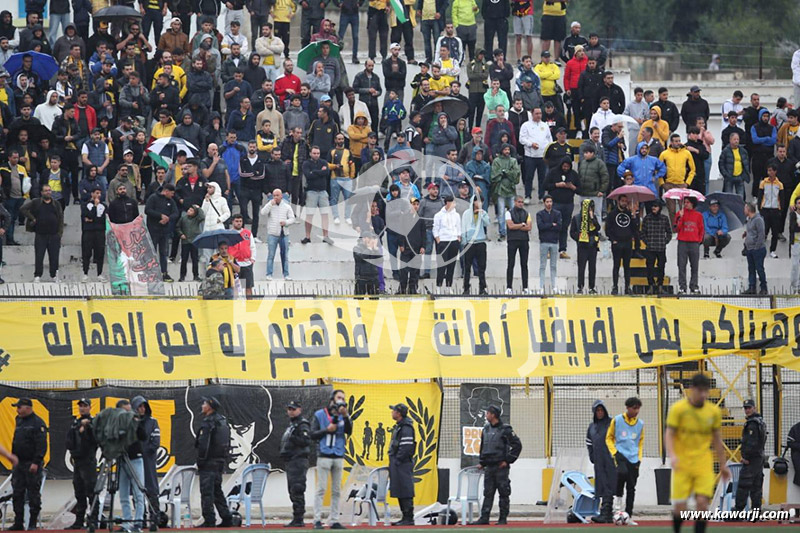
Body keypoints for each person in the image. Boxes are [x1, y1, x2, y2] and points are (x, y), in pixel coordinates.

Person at [666, 373, 730, 533]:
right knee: (680, 508)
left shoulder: (713, 412)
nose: (703, 395)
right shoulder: (678, 409)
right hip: (682, 464)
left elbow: (716, 439)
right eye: (700, 391)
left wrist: (723, 465)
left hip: (703, 463)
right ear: (692, 390)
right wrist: (672, 455)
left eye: (706, 391)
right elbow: (669, 434)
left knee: (702, 504)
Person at [471, 405, 521, 526]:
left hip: (501, 467)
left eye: (487, 413)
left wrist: (507, 460)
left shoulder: (506, 429)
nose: (486, 415)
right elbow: (483, 447)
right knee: (487, 493)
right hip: (489, 467)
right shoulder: (485, 429)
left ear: (493, 415)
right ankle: (484, 518)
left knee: (503, 493)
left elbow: (517, 446)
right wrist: (482, 463)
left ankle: (502, 518)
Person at [311, 389, 352, 530]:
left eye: (343, 398)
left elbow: (349, 431)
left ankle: (334, 519)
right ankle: (317, 519)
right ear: (332, 399)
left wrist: (346, 416)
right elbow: (313, 434)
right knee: (321, 489)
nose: (341, 400)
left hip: (338, 455)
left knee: (336, 490)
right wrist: (326, 430)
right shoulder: (320, 414)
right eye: (339, 397)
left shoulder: (343, 415)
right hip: (324, 455)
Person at [195, 397, 233, 528]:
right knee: (217, 490)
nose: (202, 405)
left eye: (204, 403)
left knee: (207, 492)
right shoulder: (222, 421)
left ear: (210, 406)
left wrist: (200, 461)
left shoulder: (209, 423)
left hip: (209, 462)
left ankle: (209, 519)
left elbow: (204, 444)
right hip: (219, 461)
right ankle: (226, 516)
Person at [10, 398, 46, 531]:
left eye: (19, 407)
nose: (17, 410)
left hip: (31, 463)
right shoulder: (18, 420)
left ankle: (32, 523)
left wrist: (36, 462)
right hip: (19, 463)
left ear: (28, 408)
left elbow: (42, 445)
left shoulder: (37, 423)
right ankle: (18, 522)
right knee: (17, 493)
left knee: (33, 494)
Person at [605, 397, 643, 524]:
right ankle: (617, 509)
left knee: (631, 487)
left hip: (634, 458)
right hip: (620, 455)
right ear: (627, 407)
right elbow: (609, 438)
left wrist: (639, 458)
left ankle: (629, 515)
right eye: (634, 408)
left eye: (638, 408)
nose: (636, 411)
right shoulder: (617, 420)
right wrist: (614, 452)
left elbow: (640, 442)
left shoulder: (640, 424)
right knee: (621, 474)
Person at [21, 185, 64, 283]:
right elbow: (23, 209)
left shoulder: (56, 204)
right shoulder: (36, 202)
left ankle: (54, 275)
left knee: (54, 256)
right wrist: (32, 218)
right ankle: (37, 275)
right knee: (39, 256)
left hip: (54, 235)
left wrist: (59, 233)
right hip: (40, 235)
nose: (48, 192)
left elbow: (61, 218)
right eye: (46, 191)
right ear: (42, 192)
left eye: (49, 190)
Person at [65, 398, 97, 530]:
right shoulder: (75, 423)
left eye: (85, 406)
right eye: (81, 406)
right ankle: (79, 520)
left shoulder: (93, 422)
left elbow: (95, 440)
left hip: (88, 462)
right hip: (77, 462)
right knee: (79, 492)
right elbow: (69, 441)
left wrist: (87, 428)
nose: (82, 408)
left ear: (89, 407)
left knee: (91, 492)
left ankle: (93, 520)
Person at [281, 401, 311, 528]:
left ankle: (299, 519)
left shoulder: (302, 424)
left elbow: (305, 441)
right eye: (289, 409)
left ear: (299, 409)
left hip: (298, 461)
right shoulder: (292, 424)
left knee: (297, 489)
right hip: (292, 461)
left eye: (293, 409)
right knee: (293, 490)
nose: (291, 411)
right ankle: (296, 517)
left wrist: (293, 439)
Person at [733, 400, 767, 513]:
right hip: (759, 459)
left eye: (749, 408)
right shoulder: (760, 422)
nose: (747, 410)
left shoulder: (752, 423)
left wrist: (746, 457)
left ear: (754, 408)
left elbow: (751, 443)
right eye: (745, 408)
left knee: (743, 485)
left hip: (751, 460)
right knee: (756, 487)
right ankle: (756, 513)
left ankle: (737, 512)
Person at [131, 396, 160, 521]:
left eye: (143, 406)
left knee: (151, 488)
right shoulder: (131, 422)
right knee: (136, 490)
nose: (142, 409)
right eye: (139, 406)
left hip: (148, 461)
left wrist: (143, 452)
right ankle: (140, 519)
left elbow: (155, 442)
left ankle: (155, 517)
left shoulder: (152, 422)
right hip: (134, 461)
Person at [586, 400, 614, 523]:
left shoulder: (612, 423)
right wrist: (592, 456)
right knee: (601, 485)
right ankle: (607, 512)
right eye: (597, 411)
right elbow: (589, 442)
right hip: (598, 461)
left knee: (609, 485)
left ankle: (606, 512)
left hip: (611, 460)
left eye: (602, 410)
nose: (600, 412)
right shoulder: (592, 427)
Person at [545, 156, 578, 258]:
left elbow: (580, 189)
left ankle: (562, 250)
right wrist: (556, 185)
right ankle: (550, 249)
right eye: (564, 166)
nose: (566, 168)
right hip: (556, 203)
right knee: (553, 226)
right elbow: (545, 185)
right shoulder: (553, 172)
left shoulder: (573, 174)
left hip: (568, 204)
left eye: (568, 166)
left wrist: (572, 187)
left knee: (564, 227)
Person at [145, 183, 179, 282]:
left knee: (164, 253)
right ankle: (151, 273)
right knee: (152, 252)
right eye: (171, 193)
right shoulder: (153, 198)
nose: (172, 196)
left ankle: (164, 273)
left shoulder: (171, 201)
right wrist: (160, 216)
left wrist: (168, 218)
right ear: (166, 191)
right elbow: (148, 210)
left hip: (165, 231)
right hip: (153, 230)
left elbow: (176, 213)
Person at [606, 194, 637, 295]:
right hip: (617, 243)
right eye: (622, 201)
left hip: (627, 243)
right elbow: (607, 229)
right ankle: (615, 287)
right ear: (618, 201)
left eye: (625, 201)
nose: (624, 203)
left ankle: (627, 287)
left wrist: (633, 216)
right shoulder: (612, 214)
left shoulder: (629, 214)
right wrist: (612, 239)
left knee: (627, 266)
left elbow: (634, 229)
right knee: (616, 265)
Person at [260, 188, 295, 281]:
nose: (275, 197)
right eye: (274, 195)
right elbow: (263, 212)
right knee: (271, 255)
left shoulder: (287, 206)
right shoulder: (270, 205)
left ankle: (286, 274)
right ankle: (269, 274)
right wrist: (270, 204)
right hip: (272, 233)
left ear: (281, 196)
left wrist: (286, 222)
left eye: (277, 195)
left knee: (285, 255)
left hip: (284, 234)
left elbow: (292, 219)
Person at [570, 199, 600, 294]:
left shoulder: (593, 217)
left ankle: (591, 287)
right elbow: (572, 232)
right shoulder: (576, 218)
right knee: (581, 267)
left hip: (592, 246)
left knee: (592, 267)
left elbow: (598, 228)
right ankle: (580, 286)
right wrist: (579, 238)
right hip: (582, 246)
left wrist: (592, 218)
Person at [675, 196, 703, 294]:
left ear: (692, 204)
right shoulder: (679, 214)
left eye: (688, 202)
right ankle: (682, 286)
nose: (686, 204)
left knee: (694, 266)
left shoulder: (698, 215)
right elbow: (676, 228)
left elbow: (701, 229)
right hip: (682, 242)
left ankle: (694, 285)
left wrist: (698, 240)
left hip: (694, 242)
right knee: (681, 265)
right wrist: (680, 218)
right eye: (685, 202)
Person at [461, 197, 490, 295]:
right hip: (469, 242)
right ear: (473, 202)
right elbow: (463, 227)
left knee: (482, 267)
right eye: (478, 201)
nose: (480, 203)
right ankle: (466, 288)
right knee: (467, 267)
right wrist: (465, 242)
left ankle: (482, 288)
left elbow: (487, 223)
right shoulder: (466, 214)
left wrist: (482, 213)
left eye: (481, 201)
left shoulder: (483, 213)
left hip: (480, 242)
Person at [432, 195, 461, 290]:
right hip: (443, 241)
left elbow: (458, 227)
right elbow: (435, 228)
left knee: (451, 266)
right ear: (447, 203)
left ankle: (449, 286)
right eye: (452, 202)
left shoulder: (456, 215)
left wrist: (458, 237)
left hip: (453, 241)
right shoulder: (438, 215)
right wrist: (438, 240)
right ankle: (438, 286)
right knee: (441, 265)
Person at [399, 198, 426, 295]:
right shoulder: (404, 217)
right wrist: (401, 244)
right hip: (406, 248)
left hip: (416, 249)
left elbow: (423, 234)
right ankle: (402, 288)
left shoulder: (421, 219)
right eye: (413, 204)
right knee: (404, 270)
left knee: (415, 270)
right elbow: (401, 231)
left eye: (417, 204)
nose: (415, 206)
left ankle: (413, 288)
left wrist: (423, 246)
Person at [81, 187, 107, 282]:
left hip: (100, 232)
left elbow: (102, 220)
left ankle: (99, 274)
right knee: (87, 252)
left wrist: (92, 219)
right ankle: (85, 273)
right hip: (88, 232)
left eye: (100, 193)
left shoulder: (104, 206)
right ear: (92, 194)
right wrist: (95, 208)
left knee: (100, 252)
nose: (99, 195)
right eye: (97, 193)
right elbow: (87, 216)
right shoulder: (86, 205)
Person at [535, 195, 560, 293]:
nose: (549, 203)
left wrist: (548, 226)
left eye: (550, 201)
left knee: (553, 265)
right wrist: (551, 225)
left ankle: (554, 286)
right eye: (547, 202)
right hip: (544, 242)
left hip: (554, 241)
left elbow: (559, 226)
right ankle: (541, 287)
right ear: (544, 203)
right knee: (542, 265)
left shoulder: (557, 214)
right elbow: (541, 226)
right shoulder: (540, 214)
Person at [759, 163, 784, 258]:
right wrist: (760, 208)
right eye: (768, 170)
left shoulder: (779, 184)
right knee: (764, 231)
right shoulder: (763, 183)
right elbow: (760, 196)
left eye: (771, 170)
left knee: (775, 232)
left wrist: (780, 209)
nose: (770, 172)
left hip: (775, 210)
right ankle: (761, 249)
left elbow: (782, 198)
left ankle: (772, 250)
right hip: (765, 209)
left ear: (775, 171)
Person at [742, 201, 767, 295]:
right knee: (751, 268)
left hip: (758, 249)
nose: (744, 210)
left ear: (748, 209)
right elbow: (752, 232)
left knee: (759, 268)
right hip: (749, 248)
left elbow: (761, 234)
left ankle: (763, 287)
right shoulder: (749, 220)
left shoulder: (758, 220)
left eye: (745, 208)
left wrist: (757, 247)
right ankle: (751, 287)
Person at [718, 132, 750, 199]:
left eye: (737, 139)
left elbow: (746, 163)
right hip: (729, 177)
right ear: (730, 140)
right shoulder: (725, 151)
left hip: (740, 177)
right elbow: (721, 164)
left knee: (740, 197)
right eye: (734, 139)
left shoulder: (743, 151)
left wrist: (744, 175)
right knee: (728, 197)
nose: (736, 141)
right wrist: (725, 174)